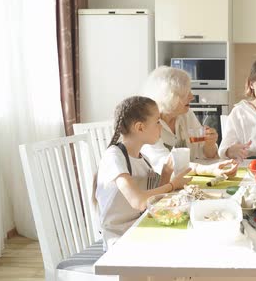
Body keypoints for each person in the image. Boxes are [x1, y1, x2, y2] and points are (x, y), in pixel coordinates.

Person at [94, 96, 189, 250]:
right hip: (119, 241)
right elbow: (138, 201)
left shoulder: (142, 158)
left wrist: (166, 174)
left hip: (140, 230)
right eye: (158, 121)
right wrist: (172, 185)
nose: (161, 126)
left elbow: (152, 201)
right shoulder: (114, 156)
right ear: (140, 127)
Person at [141, 66, 236, 177]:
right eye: (185, 93)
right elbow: (165, 164)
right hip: (160, 187)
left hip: (187, 181)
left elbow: (206, 154)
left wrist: (209, 144)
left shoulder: (186, 114)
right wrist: (204, 170)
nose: (192, 97)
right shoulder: (149, 122)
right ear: (169, 96)